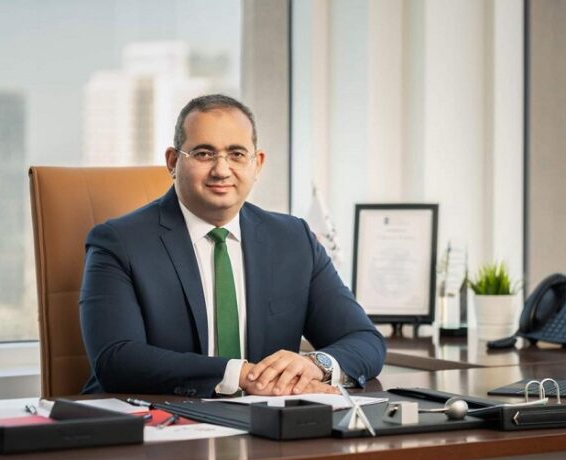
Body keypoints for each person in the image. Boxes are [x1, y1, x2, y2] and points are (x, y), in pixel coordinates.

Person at [79, 94, 385, 397]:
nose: (222, 170)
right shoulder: (119, 242)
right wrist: (244, 375)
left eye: (237, 154)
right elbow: (116, 359)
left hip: (266, 421)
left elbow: (364, 340)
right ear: (173, 162)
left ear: (257, 164)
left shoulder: (293, 239)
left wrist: (315, 365)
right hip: (158, 418)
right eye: (204, 154)